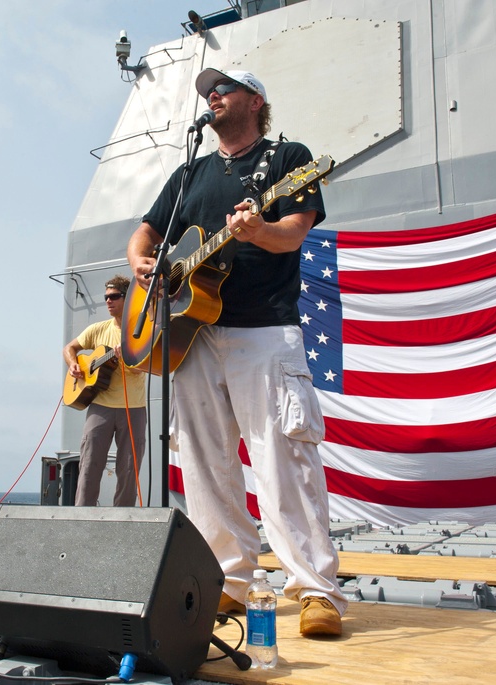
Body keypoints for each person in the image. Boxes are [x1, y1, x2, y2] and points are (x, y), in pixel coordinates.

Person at [126, 69, 347, 636]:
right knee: (202, 464)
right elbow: (146, 232)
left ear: (255, 100)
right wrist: (143, 264)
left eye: (223, 88)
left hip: (263, 329)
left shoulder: (286, 158)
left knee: (281, 459)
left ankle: (315, 590)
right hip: (193, 336)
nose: (212, 96)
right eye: (207, 92)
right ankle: (230, 580)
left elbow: (294, 230)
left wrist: (256, 232)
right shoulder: (192, 171)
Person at [62, 275, 146, 507]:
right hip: (100, 406)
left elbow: (145, 367)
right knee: (89, 464)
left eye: (114, 297)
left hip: (133, 407)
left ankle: (122, 519)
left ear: (127, 298)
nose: (108, 301)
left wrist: (129, 359)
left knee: (129, 468)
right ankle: (82, 516)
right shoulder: (97, 329)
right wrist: (73, 364)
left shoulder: (141, 329)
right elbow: (70, 348)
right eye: (106, 297)